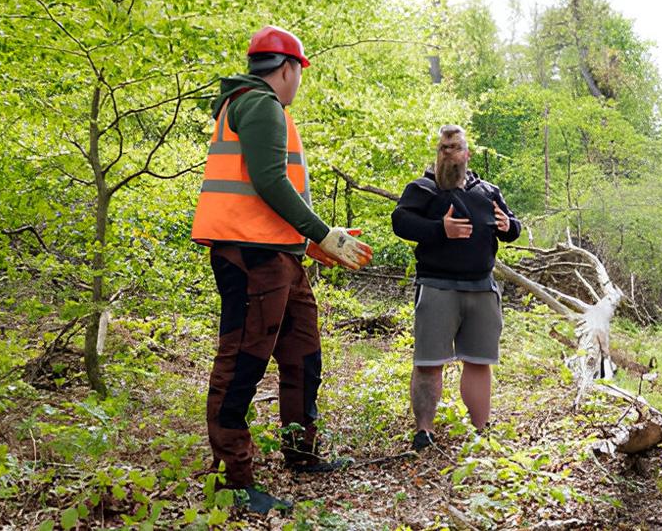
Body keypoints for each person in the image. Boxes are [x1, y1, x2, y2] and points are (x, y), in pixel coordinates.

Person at [190, 25, 373, 513]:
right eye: (299, 74)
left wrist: (310, 245)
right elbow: (269, 181)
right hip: (251, 259)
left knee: (302, 354)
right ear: (288, 69)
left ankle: (300, 452)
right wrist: (321, 232)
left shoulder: (257, 106)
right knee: (242, 362)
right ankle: (234, 480)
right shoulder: (260, 105)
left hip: (278, 256)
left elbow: (271, 191)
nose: (298, 83)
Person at [390, 124, 521, 452]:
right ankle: (424, 433)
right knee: (429, 362)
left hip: (481, 288)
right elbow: (401, 222)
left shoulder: (487, 191)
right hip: (437, 287)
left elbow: (513, 227)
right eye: (442, 148)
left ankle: (481, 432)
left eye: (454, 147)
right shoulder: (423, 188)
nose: (447, 153)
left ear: (467, 153)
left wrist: (508, 225)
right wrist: (440, 229)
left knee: (479, 361)